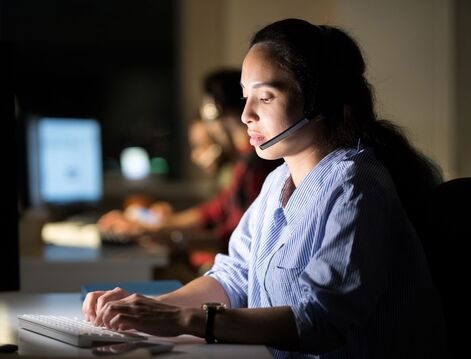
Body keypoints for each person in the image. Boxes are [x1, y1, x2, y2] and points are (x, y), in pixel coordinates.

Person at [83, 19, 447, 358]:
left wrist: (181, 321)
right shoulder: (277, 183)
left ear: (318, 100)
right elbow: (233, 277)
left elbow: (319, 320)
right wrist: (150, 307)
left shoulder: (356, 187)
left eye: (266, 96)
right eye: (245, 96)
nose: (246, 115)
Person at [98, 69, 281, 254]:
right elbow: (215, 210)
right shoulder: (245, 161)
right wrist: (159, 225)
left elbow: (232, 240)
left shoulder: (254, 163)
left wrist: (165, 236)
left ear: (214, 110)